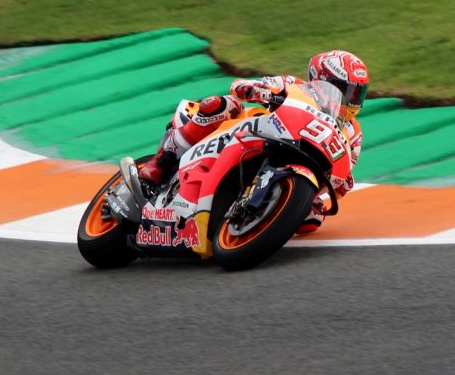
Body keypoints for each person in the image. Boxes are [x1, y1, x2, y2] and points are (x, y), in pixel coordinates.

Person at [137, 50, 369, 236]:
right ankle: (161, 163)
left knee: (310, 219)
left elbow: (343, 176)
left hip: (302, 161)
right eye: (346, 91)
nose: (352, 100)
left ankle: (253, 217)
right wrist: (254, 89)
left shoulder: (353, 133)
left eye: (357, 93)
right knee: (221, 106)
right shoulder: (293, 84)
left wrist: (336, 186)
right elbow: (248, 86)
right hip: (261, 133)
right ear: (322, 80)